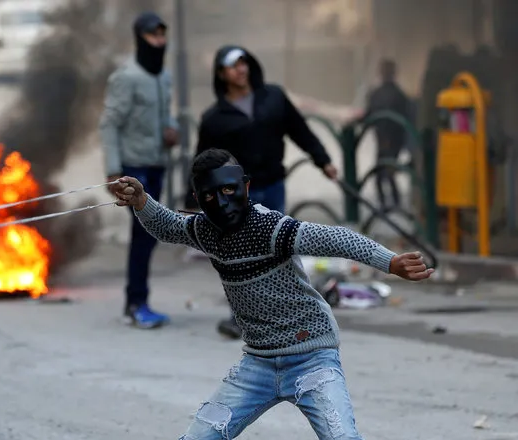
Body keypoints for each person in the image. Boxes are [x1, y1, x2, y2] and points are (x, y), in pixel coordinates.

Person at [111, 148, 433, 440]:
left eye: (228, 190)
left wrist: (390, 261)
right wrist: (142, 201)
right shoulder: (204, 230)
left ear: (245, 187)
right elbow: (169, 226)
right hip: (258, 365)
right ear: (198, 198)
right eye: (210, 196)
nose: (221, 203)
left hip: (312, 358)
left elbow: (335, 238)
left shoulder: (272, 229)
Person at [184, 45, 339, 338]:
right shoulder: (214, 118)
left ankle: (286, 313)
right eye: (232, 66)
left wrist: (324, 161)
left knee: (277, 250)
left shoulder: (274, 98)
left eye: (243, 63)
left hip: (273, 185)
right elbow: (202, 160)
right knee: (238, 254)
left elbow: (300, 131)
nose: (240, 70)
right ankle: (240, 317)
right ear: (221, 74)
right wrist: (191, 198)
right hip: (235, 196)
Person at [99, 11, 179, 329]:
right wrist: (113, 171)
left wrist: (171, 129)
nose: (158, 41)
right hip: (133, 167)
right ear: (140, 38)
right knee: (143, 234)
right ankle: (135, 303)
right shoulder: (126, 77)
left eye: (162, 35)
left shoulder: (164, 76)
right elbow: (109, 124)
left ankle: (138, 301)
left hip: (157, 163)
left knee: (150, 233)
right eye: (152, 35)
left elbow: (165, 114)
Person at [363, 59, 411, 210]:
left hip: (385, 138)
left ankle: (387, 205)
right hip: (393, 139)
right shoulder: (399, 94)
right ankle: (392, 204)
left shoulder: (377, 94)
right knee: (386, 172)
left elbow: (368, 117)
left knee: (382, 173)